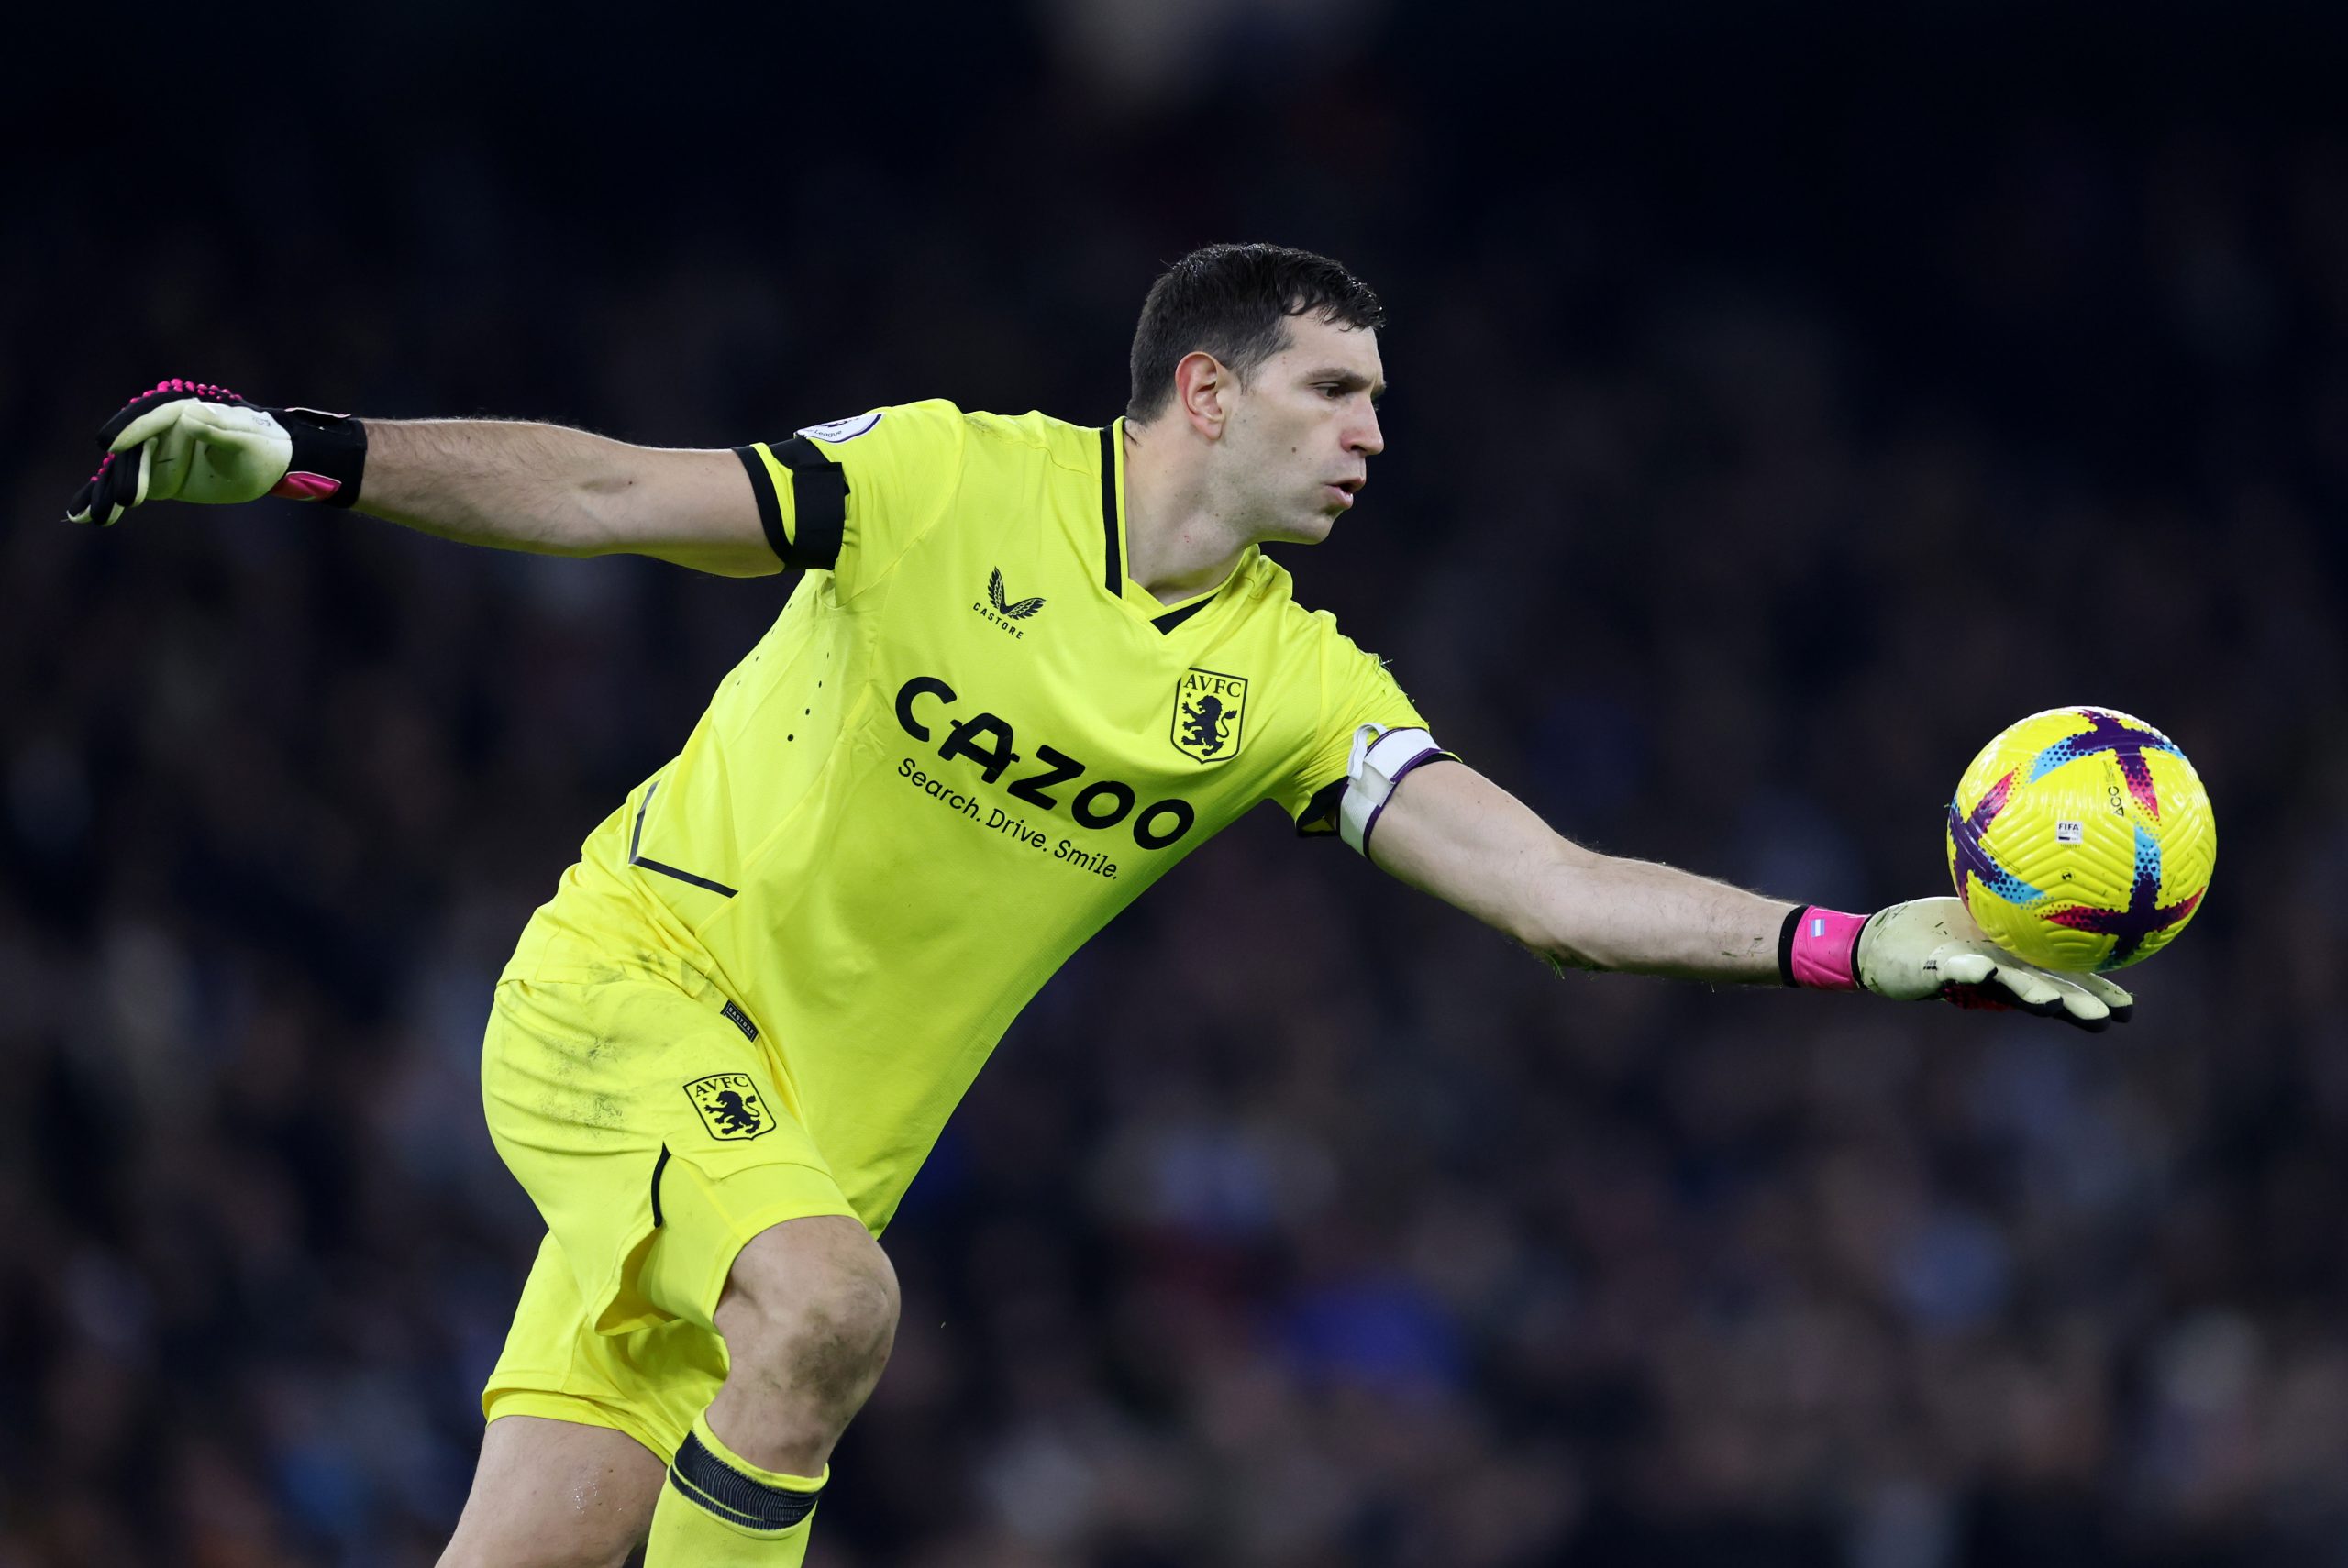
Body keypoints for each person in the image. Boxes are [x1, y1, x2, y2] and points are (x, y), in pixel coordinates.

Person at [65, 243, 2134, 1567]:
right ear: (1208, 392)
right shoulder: (941, 477)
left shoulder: (1289, 685)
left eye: (1385, 398)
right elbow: (611, 489)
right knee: (835, 1310)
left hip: (787, 1155)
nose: (1378, 432)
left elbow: (1551, 892)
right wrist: (312, 455)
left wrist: (1859, 943)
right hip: (631, 996)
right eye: (1342, 388)